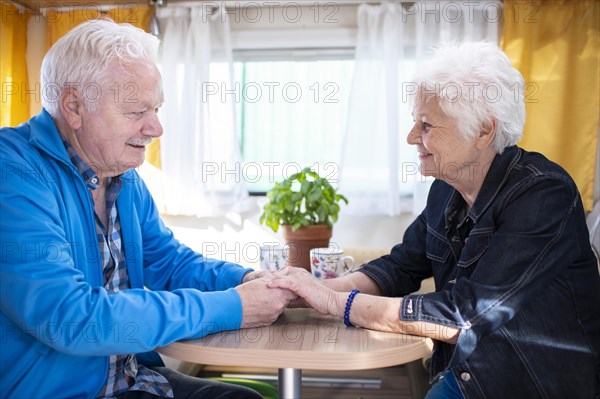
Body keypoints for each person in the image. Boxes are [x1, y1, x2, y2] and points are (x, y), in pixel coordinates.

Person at [268, 42, 600, 398]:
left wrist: (337, 304)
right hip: (469, 373)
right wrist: (306, 291)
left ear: (484, 131)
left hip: (534, 384)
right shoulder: (445, 191)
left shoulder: (544, 194)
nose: (412, 137)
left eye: (426, 125)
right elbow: (400, 267)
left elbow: (463, 316)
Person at [0, 19, 295, 398]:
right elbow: (71, 319)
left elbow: (167, 264)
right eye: (136, 112)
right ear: (73, 106)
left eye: (156, 109)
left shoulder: (122, 175)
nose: (156, 128)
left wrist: (245, 282)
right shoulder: (13, 170)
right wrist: (234, 306)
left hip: (134, 381)